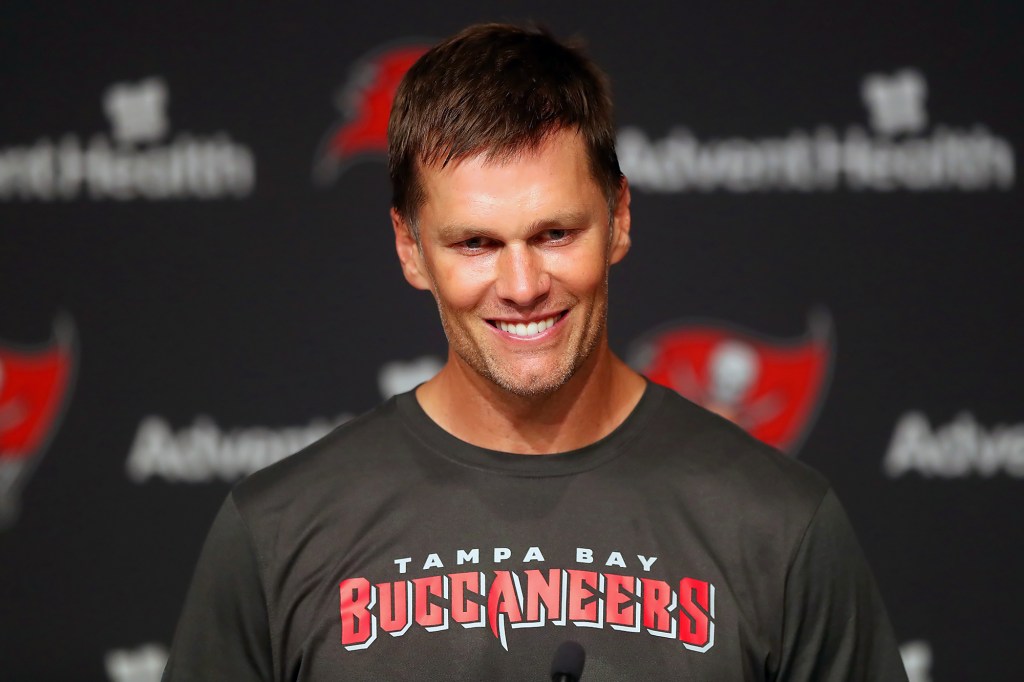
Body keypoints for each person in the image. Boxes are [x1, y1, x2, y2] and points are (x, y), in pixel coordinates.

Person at [162, 23, 909, 681]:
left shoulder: (777, 525)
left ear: (618, 218)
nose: (522, 285)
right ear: (410, 248)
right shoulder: (278, 532)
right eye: (476, 244)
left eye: (555, 234)